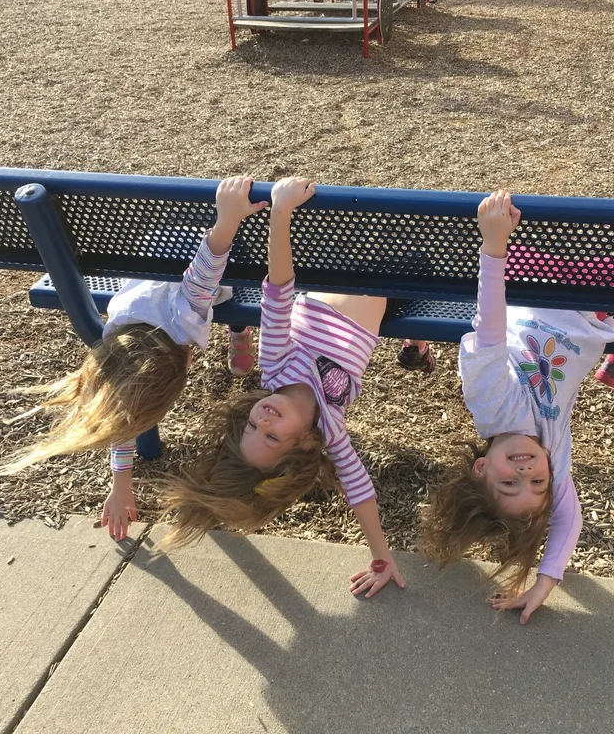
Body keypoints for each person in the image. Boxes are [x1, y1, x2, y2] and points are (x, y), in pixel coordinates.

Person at [161, 177, 424, 598]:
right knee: (420, 270)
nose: (262, 420)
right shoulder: (332, 427)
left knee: (399, 272)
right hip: (381, 280)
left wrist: (281, 214)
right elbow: (359, 490)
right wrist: (381, 556)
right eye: (271, 436)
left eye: (251, 428)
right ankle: (418, 343)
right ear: (304, 445)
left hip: (330, 265)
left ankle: (417, 342)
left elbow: (278, 292)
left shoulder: (277, 366)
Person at [0, 176, 265, 541]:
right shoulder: (117, 333)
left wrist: (228, 220)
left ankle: (239, 332)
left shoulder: (183, 317)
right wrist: (119, 482)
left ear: (186, 363)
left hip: (193, 251)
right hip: (152, 247)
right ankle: (239, 332)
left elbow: (209, 265)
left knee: (218, 290)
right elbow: (122, 401)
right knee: (212, 292)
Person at [418, 191, 614, 624]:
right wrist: (544, 583)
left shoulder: (491, 403)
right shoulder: (553, 455)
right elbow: (569, 519)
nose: (528, 475)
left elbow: (487, 325)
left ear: (481, 469)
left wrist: (492, 248)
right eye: (538, 485)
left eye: (510, 485)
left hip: (537, 285)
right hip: (588, 311)